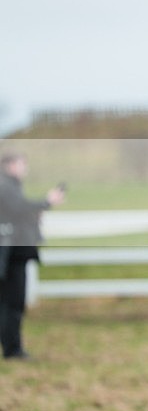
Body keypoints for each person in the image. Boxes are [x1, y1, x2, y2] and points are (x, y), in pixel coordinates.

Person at [0, 152, 64, 360]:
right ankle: (13, 349)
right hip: (12, 253)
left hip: (13, 251)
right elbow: (18, 209)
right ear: (10, 165)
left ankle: (13, 347)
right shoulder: (6, 185)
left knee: (11, 302)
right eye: (21, 164)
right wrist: (47, 202)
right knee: (12, 302)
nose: (24, 168)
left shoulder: (10, 186)